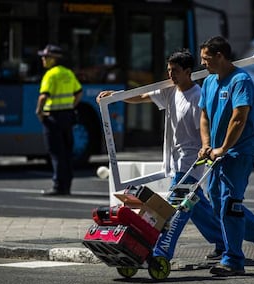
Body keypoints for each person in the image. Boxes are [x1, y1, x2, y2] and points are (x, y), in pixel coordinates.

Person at [96, 49, 225, 260]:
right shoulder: (170, 91)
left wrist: (207, 149)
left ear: (188, 71)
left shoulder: (198, 97)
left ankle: (161, 251)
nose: (170, 75)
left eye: (174, 71)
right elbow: (144, 96)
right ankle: (240, 237)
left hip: (191, 162)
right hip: (176, 161)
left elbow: (206, 127)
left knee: (176, 210)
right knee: (198, 207)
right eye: (168, 70)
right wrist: (117, 96)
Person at [198, 36, 254, 276]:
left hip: (238, 153)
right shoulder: (210, 81)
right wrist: (207, 144)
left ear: (220, 56)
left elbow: (239, 117)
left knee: (230, 204)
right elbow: (204, 116)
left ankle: (233, 259)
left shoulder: (240, 80)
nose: (203, 63)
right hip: (217, 153)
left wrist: (223, 148)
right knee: (218, 201)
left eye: (206, 58)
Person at [36, 44, 83, 196]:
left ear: (53, 59)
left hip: (53, 118)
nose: (43, 59)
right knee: (67, 152)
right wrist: (70, 106)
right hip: (67, 117)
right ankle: (67, 186)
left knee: (56, 152)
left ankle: (58, 186)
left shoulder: (50, 75)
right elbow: (79, 92)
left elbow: (43, 96)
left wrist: (39, 112)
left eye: (45, 57)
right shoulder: (68, 73)